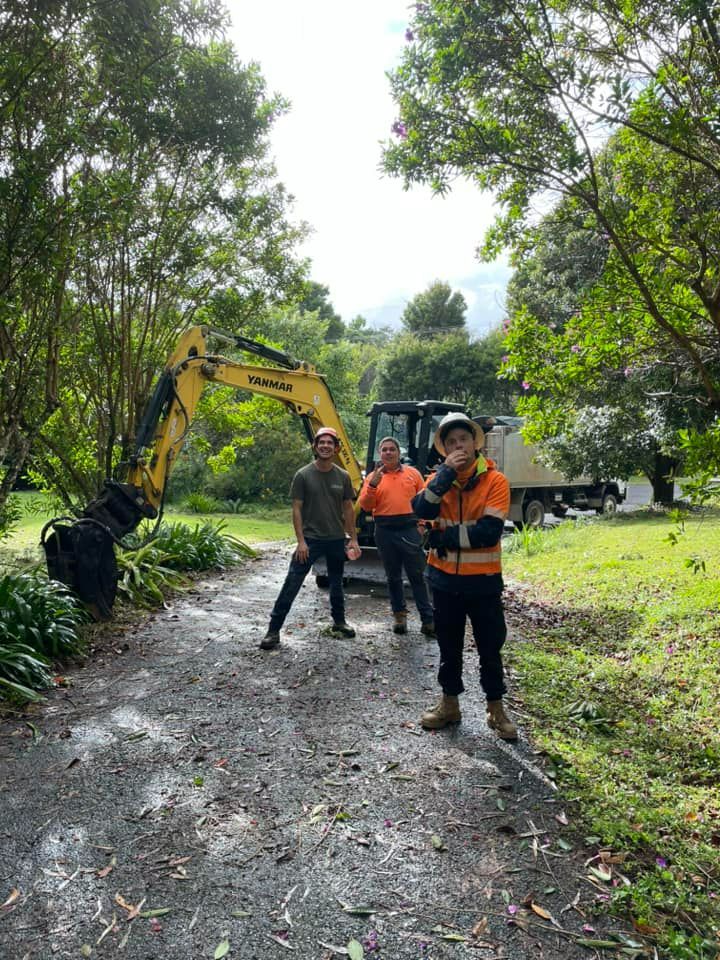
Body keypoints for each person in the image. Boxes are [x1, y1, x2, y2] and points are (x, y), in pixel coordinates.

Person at [412, 412, 517, 740]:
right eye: (451, 442)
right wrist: (444, 474)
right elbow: (422, 509)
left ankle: (496, 709)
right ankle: (449, 704)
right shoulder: (438, 479)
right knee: (448, 647)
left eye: (463, 440)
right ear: (444, 449)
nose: (458, 446)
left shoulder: (495, 481)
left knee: (489, 647)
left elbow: (489, 531)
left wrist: (443, 537)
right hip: (443, 580)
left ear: (475, 443)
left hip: (483, 581)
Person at [261, 427, 360, 650]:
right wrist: (301, 542)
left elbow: (348, 508)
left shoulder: (343, 476)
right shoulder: (303, 475)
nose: (325, 446)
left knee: (336, 583)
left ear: (336, 448)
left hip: (336, 539)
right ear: (315, 447)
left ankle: (339, 622)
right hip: (310, 540)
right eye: (321, 442)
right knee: (292, 583)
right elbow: (296, 509)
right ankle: (273, 630)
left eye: (330, 443)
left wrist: (352, 539)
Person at [358, 436, 435, 636]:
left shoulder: (413, 474)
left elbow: (426, 502)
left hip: (409, 528)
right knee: (393, 577)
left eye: (392, 449)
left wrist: (423, 525)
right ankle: (399, 617)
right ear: (380, 454)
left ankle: (428, 620)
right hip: (384, 530)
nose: (388, 453)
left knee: (417, 576)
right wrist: (373, 485)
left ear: (399, 453)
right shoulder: (372, 477)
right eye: (384, 450)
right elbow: (366, 506)